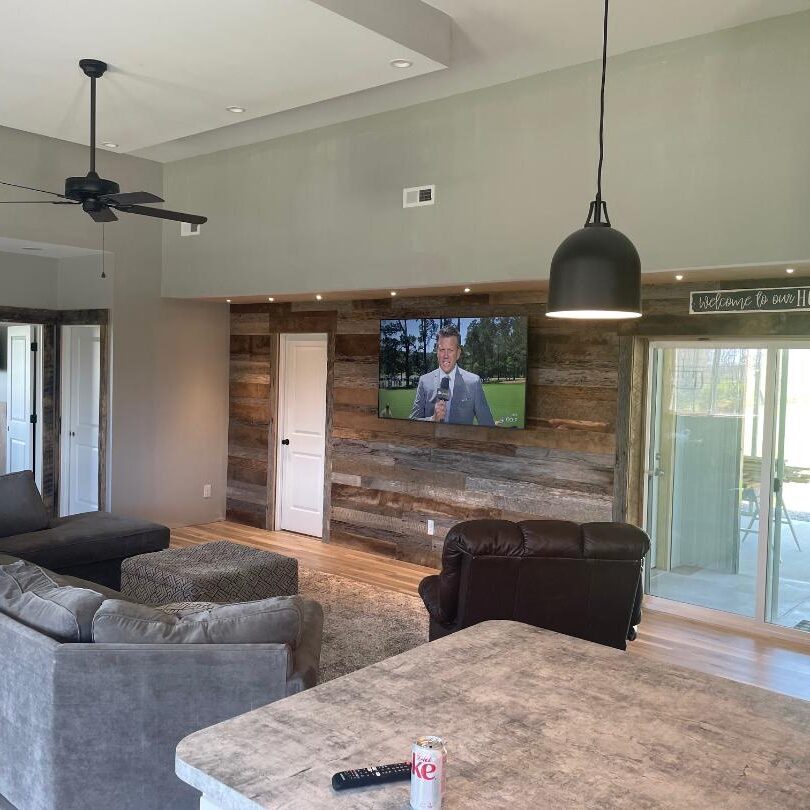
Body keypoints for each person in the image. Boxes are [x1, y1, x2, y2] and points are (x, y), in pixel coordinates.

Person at [409, 324, 495, 425]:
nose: (445, 356)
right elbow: (411, 423)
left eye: (450, 350)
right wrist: (432, 419)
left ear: (458, 353)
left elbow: (488, 425)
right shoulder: (424, 381)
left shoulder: (474, 383)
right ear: (437, 352)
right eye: (442, 350)